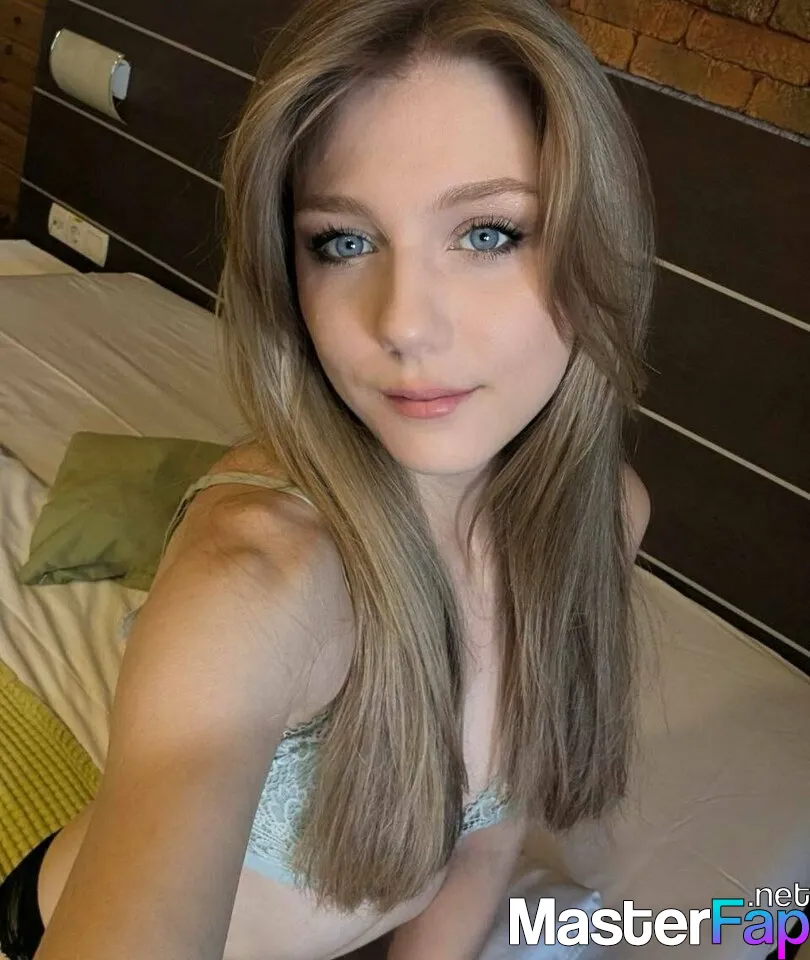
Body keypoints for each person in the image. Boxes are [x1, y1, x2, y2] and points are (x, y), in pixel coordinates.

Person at [0, 0, 654, 957]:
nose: (404, 324)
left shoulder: (606, 518)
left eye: (488, 233)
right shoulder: (259, 582)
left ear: (597, 241)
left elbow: (484, 844)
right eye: (344, 242)